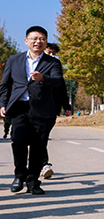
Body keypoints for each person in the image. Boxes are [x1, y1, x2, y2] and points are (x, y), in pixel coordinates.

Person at [0, 26, 65, 195]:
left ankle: (33, 181)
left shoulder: (53, 62)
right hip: (20, 108)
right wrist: (3, 104)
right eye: (34, 38)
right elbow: (5, 84)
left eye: (42, 39)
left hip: (43, 111)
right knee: (18, 142)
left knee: (38, 146)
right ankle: (19, 176)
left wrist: (43, 78)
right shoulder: (15, 60)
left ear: (46, 42)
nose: (38, 42)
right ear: (26, 41)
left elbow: (58, 82)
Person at [39, 42, 71, 180]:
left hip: (51, 108)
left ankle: (43, 164)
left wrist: (67, 106)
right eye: (49, 52)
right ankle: (41, 164)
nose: (51, 55)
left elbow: (62, 88)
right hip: (34, 107)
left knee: (42, 136)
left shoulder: (56, 68)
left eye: (53, 53)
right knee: (35, 137)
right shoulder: (34, 66)